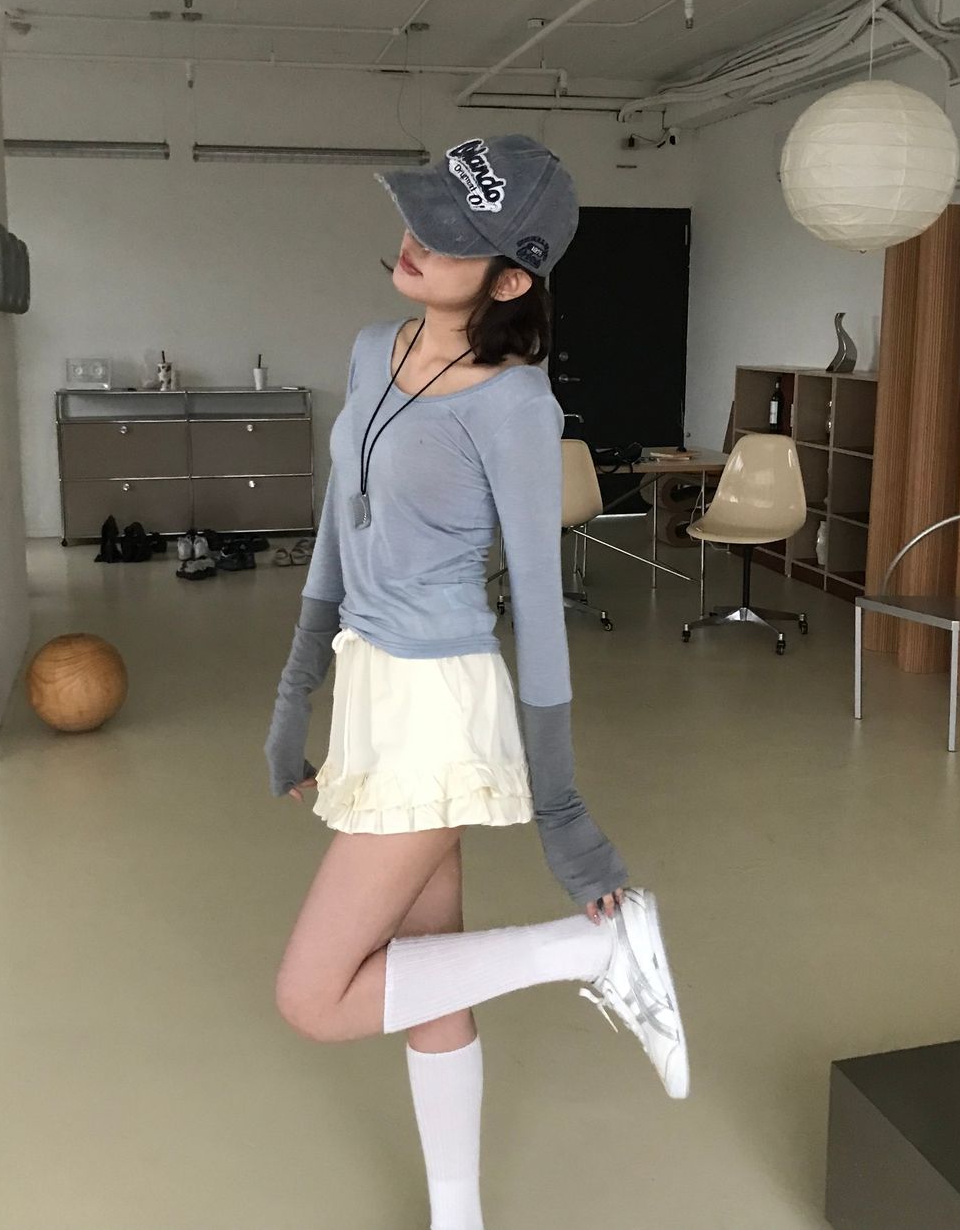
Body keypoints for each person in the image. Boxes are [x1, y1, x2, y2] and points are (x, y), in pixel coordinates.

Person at [264, 133, 688, 1229]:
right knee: (431, 978)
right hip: (370, 685)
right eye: (420, 214)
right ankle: (460, 1217)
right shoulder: (374, 348)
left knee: (312, 997)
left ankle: (593, 946)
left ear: (508, 280)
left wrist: (562, 811)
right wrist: (295, 689)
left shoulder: (514, 404)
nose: (413, 241)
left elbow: (539, 606)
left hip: (437, 703)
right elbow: (337, 528)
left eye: (449, 237)